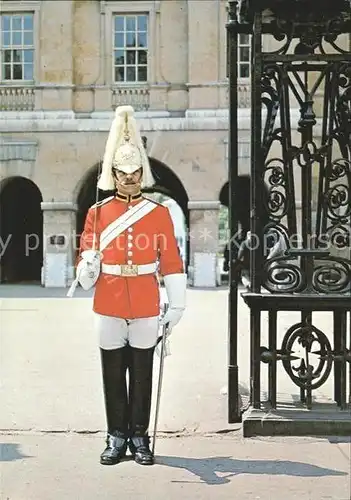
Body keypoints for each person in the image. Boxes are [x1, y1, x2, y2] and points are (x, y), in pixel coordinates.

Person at [74, 105, 186, 466]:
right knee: (111, 371)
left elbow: (170, 260)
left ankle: (139, 435)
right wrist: (87, 265)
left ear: (141, 173)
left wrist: (178, 304)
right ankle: (115, 435)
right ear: (114, 175)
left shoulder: (158, 212)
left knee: (141, 371)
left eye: (135, 173)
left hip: (144, 300)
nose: (129, 179)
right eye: (123, 174)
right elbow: (85, 267)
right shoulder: (98, 212)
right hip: (108, 299)